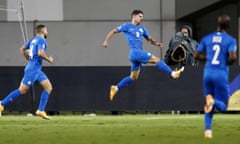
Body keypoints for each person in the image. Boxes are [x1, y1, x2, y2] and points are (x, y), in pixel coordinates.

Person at [102, 10, 184, 101]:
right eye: (140, 16)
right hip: (136, 52)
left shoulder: (142, 28)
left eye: (142, 17)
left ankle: (116, 88)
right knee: (156, 60)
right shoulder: (126, 26)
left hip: (136, 55)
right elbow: (113, 31)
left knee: (133, 77)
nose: (142, 18)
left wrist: (156, 43)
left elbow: (149, 39)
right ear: (134, 16)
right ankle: (172, 73)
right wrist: (106, 41)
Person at [194, 15, 237, 139]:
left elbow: (196, 55)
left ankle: (208, 131)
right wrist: (226, 61)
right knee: (223, 105)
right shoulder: (230, 40)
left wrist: (207, 58)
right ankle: (213, 102)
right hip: (220, 73)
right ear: (228, 26)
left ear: (217, 24)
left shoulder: (207, 38)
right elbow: (233, 57)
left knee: (208, 103)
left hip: (207, 72)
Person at [0, 24, 54, 120]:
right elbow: (40, 53)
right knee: (22, 90)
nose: (47, 32)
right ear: (42, 32)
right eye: (46, 31)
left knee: (48, 87)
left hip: (36, 70)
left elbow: (22, 49)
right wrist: (48, 59)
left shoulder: (33, 40)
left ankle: (40, 110)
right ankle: (1, 104)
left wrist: (27, 59)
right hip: (33, 70)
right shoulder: (41, 40)